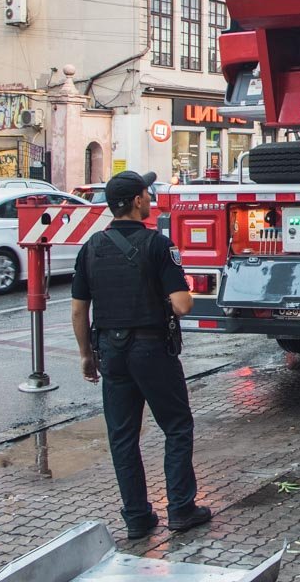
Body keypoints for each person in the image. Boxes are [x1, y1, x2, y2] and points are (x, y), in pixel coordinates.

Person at [71, 170, 211, 539]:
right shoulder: (158, 245)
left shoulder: (90, 248)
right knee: (177, 426)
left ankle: (137, 518)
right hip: (151, 350)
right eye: (147, 194)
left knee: (122, 436)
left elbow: (77, 310)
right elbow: (182, 306)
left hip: (111, 352)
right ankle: (181, 508)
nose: (150, 199)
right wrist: (186, 292)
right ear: (136, 201)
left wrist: (87, 355)